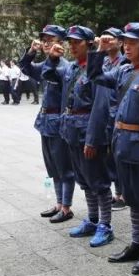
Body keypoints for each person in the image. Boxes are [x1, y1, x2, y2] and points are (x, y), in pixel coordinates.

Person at [92, 24, 139, 274]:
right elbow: (96, 76)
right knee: (133, 199)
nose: (126, 46)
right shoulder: (123, 71)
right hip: (123, 145)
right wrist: (100, 50)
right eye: (124, 42)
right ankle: (136, 244)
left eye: (133, 43)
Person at [43, 26, 115, 247]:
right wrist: (52, 60)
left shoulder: (98, 69)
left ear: (89, 44)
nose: (72, 46)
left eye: (77, 42)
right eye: (70, 42)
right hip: (72, 131)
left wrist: (93, 138)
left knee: (98, 181)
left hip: (88, 133)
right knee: (83, 180)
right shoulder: (72, 68)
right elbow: (48, 75)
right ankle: (92, 220)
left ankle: (105, 225)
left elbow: (101, 107)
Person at [20, 25, 75, 224]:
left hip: (58, 122)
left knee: (64, 167)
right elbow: (26, 68)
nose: (46, 43)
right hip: (45, 122)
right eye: (44, 39)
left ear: (60, 43)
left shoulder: (65, 66)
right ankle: (59, 204)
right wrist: (31, 52)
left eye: (50, 40)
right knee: (52, 167)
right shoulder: (46, 64)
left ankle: (67, 207)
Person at [100, 28, 128, 211]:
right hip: (104, 114)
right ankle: (116, 191)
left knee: (118, 155)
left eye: (112, 39)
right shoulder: (103, 61)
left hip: (118, 113)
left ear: (120, 42)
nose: (108, 41)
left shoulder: (125, 62)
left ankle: (122, 194)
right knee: (108, 156)